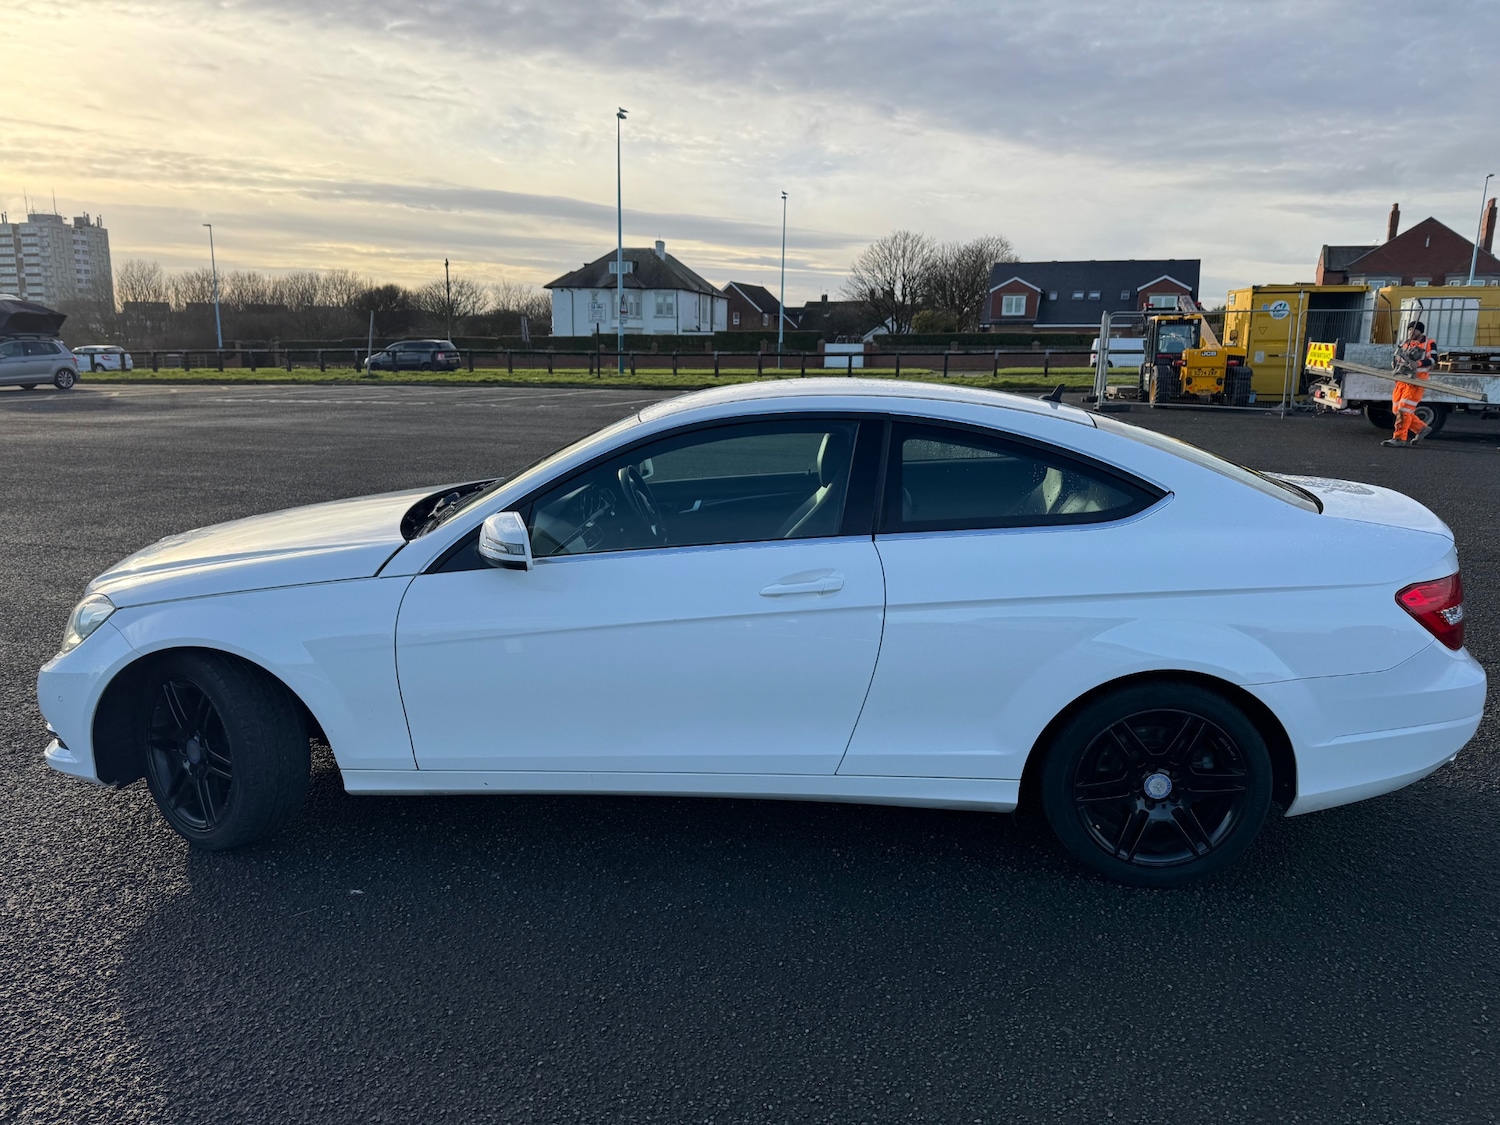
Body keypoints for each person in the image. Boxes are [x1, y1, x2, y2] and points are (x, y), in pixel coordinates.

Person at [1383, 320, 1436, 448]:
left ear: (1420, 331)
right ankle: (1421, 429)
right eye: (1410, 329)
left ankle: (1399, 438)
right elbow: (1399, 357)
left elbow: (1434, 360)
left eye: (1414, 329)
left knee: (1403, 410)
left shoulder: (1429, 343)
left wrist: (1418, 364)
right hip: (1401, 381)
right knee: (1397, 410)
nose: (1411, 332)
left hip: (1416, 382)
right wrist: (1395, 364)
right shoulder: (1405, 343)